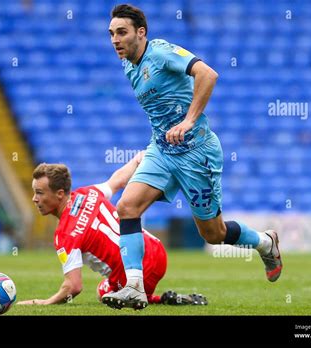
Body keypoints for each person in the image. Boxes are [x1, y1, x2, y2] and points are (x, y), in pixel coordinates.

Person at [102, 4, 283, 310]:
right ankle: (134, 287)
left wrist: (187, 121)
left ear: (141, 33)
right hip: (161, 151)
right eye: (111, 34)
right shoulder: (128, 64)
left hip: (196, 154)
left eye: (122, 32)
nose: (115, 40)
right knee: (127, 207)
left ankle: (266, 242)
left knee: (214, 234)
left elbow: (208, 74)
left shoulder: (159, 53)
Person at [17, 151, 207, 307]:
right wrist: (136, 160)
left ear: (59, 194)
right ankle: (163, 298)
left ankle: (153, 298)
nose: (35, 199)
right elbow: (118, 181)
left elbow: (73, 287)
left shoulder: (65, 235)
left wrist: (43, 302)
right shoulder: (88, 193)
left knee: (103, 292)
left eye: (39, 193)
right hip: (157, 253)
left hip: (136, 272)